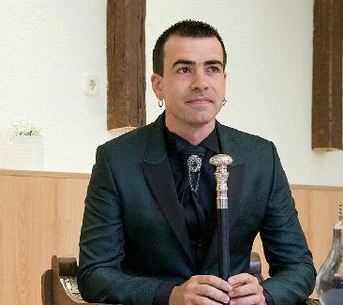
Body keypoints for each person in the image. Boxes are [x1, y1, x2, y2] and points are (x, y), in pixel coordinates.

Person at [78, 20, 315, 305]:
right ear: (158, 85)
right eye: (184, 69)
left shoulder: (261, 157)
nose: (201, 82)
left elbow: (299, 268)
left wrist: (266, 295)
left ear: (224, 81)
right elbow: (95, 274)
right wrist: (170, 295)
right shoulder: (116, 159)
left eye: (212, 69)